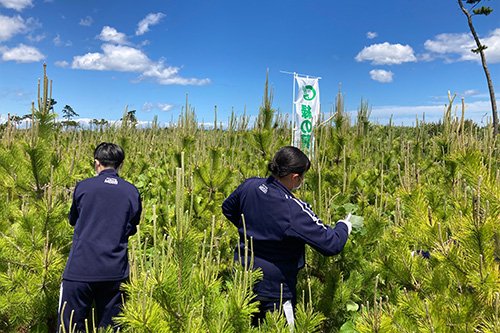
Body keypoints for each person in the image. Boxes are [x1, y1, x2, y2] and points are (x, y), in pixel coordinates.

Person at [222, 146, 352, 327]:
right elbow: (331, 244)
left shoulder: (250, 186)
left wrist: (251, 228)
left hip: (241, 281)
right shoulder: (292, 209)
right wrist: (343, 226)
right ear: (295, 177)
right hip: (276, 293)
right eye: (302, 177)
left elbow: (227, 208)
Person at [57, 142, 142, 332]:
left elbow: (73, 220)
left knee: (69, 327)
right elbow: (132, 227)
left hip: (80, 270)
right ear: (121, 165)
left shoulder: (84, 187)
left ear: (97, 163)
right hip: (115, 272)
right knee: (111, 328)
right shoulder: (131, 191)